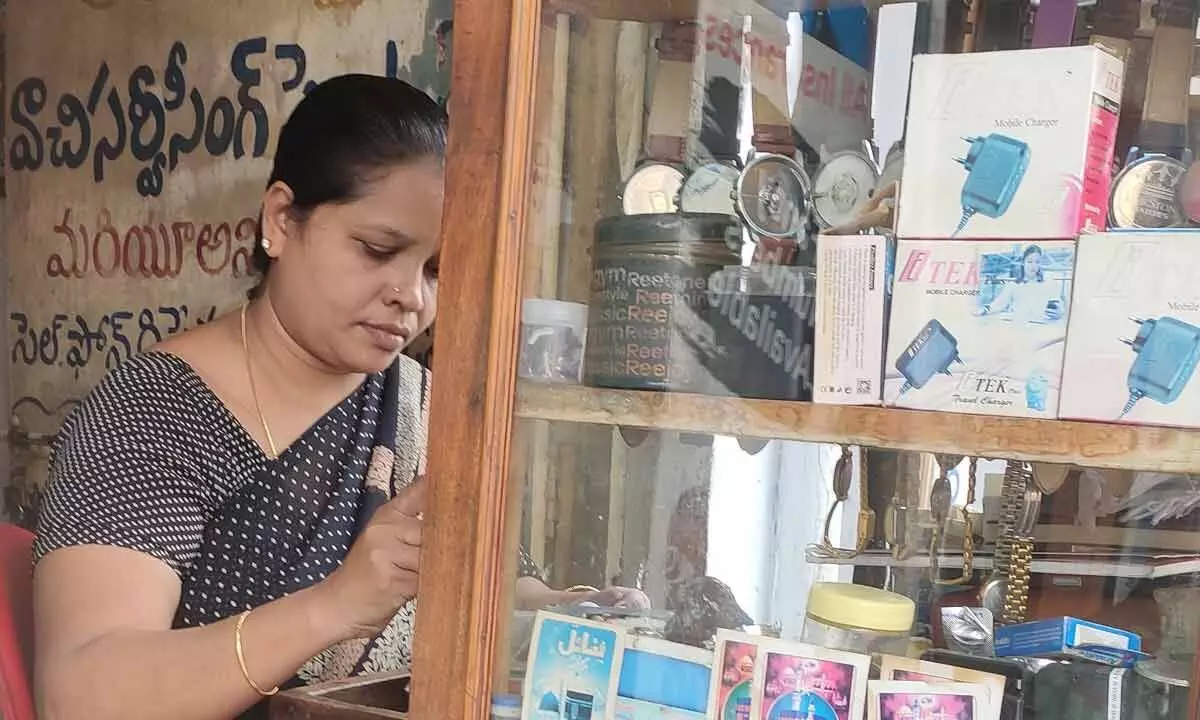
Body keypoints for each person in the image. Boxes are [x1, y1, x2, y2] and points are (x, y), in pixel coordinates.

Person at [32, 74, 646, 720]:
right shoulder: (155, 413)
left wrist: (571, 611)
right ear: (281, 220)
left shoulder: (424, 408)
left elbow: (480, 586)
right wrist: (337, 605)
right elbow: (82, 695)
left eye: (437, 269)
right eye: (378, 250)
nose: (411, 296)